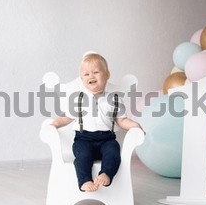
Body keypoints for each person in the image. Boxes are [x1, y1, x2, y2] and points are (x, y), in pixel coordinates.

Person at [51, 52, 143, 192]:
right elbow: (67, 118)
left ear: (107, 75)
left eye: (96, 72)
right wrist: (55, 124)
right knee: (82, 156)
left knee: (113, 152)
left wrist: (134, 126)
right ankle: (85, 181)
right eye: (86, 74)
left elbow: (121, 120)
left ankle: (106, 173)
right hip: (83, 139)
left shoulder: (114, 99)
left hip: (106, 139)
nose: (91, 76)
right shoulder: (78, 99)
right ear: (82, 79)